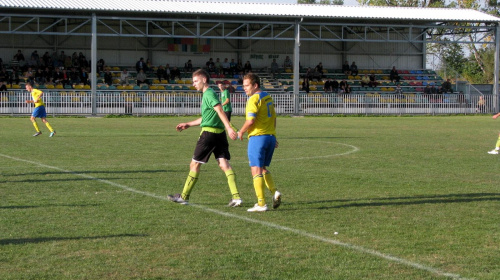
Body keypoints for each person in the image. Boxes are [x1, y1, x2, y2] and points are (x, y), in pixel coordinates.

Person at [168, 69, 241, 207]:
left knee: (194, 164)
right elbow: (208, 116)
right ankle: (236, 197)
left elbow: (220, 109)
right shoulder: (209, 94)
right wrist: (188, 124)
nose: (193, 84)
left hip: (208, 135)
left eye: (195, 81)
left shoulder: (208, 94)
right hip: (219, 134)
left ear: (204, 80)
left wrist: (230, 127)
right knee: (223, 164)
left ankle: (183, 196)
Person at [237, 73, 282, 212]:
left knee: (255, 169)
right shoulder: (267, 97)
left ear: (255, 85)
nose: (244, 88)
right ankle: (274, 192)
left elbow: (250, 121)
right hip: (270, 137)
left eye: (247, 85)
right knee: (262, 168)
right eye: (243, 85)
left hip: (258, 138)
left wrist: (241, 131)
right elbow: (274, 118)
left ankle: (261, 203)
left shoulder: (253, 99)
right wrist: (273, 135)